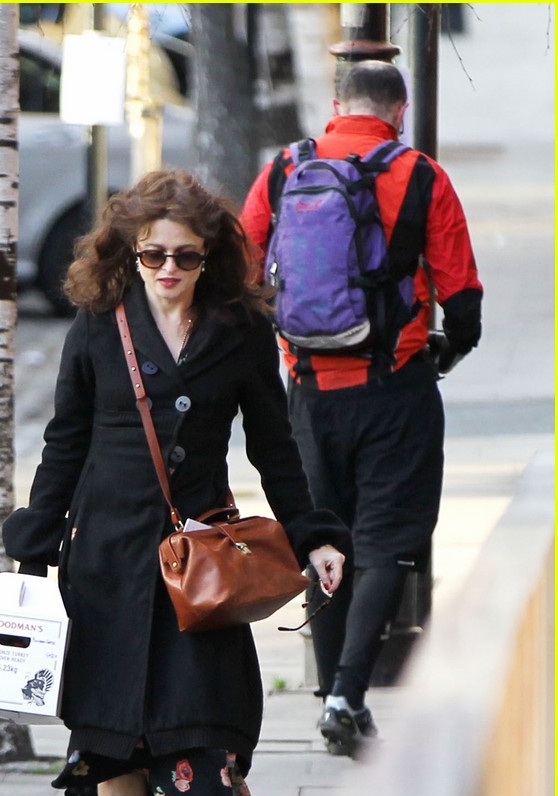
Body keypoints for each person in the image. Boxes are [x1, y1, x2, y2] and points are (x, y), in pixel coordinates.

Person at [3, 169, 348, 796]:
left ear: (210, 257)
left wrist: (315, 534)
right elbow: (66, 439)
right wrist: (36, 536)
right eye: (151, 254)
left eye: (184, 257)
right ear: (128, 252)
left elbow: (275, 444)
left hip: (202, 565)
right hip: (109, 561)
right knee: (113, 735)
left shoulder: (239, 331)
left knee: (198, 724)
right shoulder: (98, 324)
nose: (166, 269)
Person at [240, 61, 483, 757]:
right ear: (399, 112)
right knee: (387, 544)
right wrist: (445, 352)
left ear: (334, 106)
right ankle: (347, 695)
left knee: (323, 537)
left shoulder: (286, 169)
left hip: (309, 392)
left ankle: (330, 696)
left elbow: (243, 268)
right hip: (395, 388)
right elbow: (462, 298)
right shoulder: (422, 177)